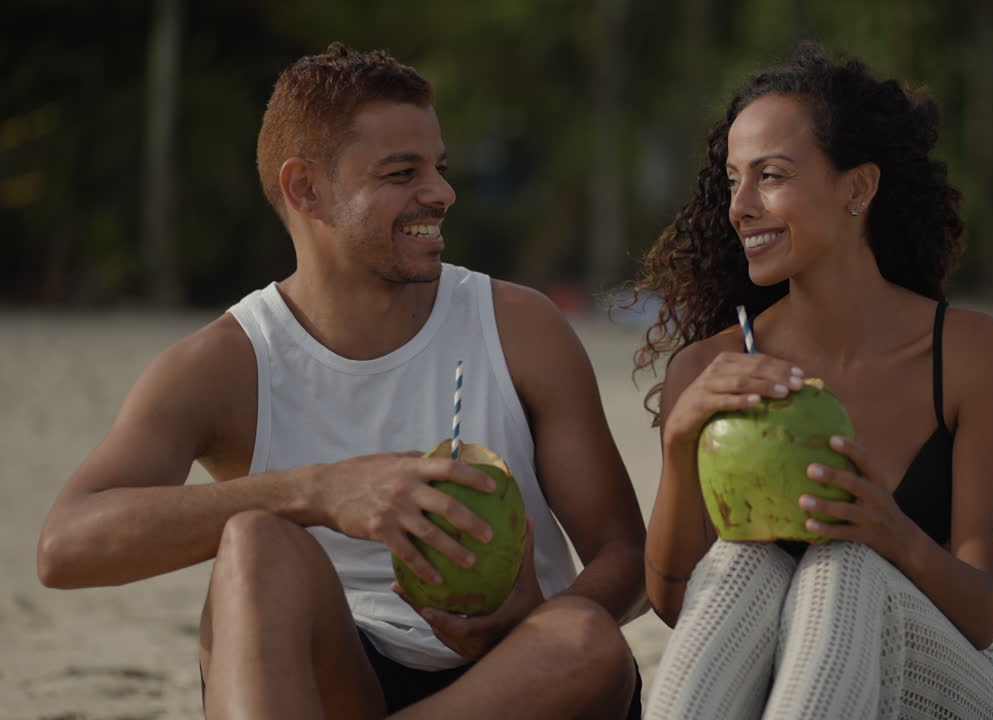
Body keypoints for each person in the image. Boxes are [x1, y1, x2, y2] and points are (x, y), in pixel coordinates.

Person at [36, 43, 647, 720]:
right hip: (336, 682)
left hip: (517, 684)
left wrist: (532, 620)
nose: (441, 193)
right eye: (402, 172)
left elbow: (625, 556)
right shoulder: (225, 363)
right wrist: (321, 492)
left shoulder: (518, 326)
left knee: (586, 639)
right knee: (256, 544)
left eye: (439, 168)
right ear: (306, 189)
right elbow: (66, 546)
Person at [631, 44, 993, 719]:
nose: (740, 206)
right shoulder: (709, 372)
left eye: (771, 176)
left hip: (948, 691)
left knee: (845, 565)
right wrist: (679, 445)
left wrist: (889, 532)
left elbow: (985, 613)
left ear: (858, 188)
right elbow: (678, 607)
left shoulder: (973, 354)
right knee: (742, 564)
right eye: (733, 180)